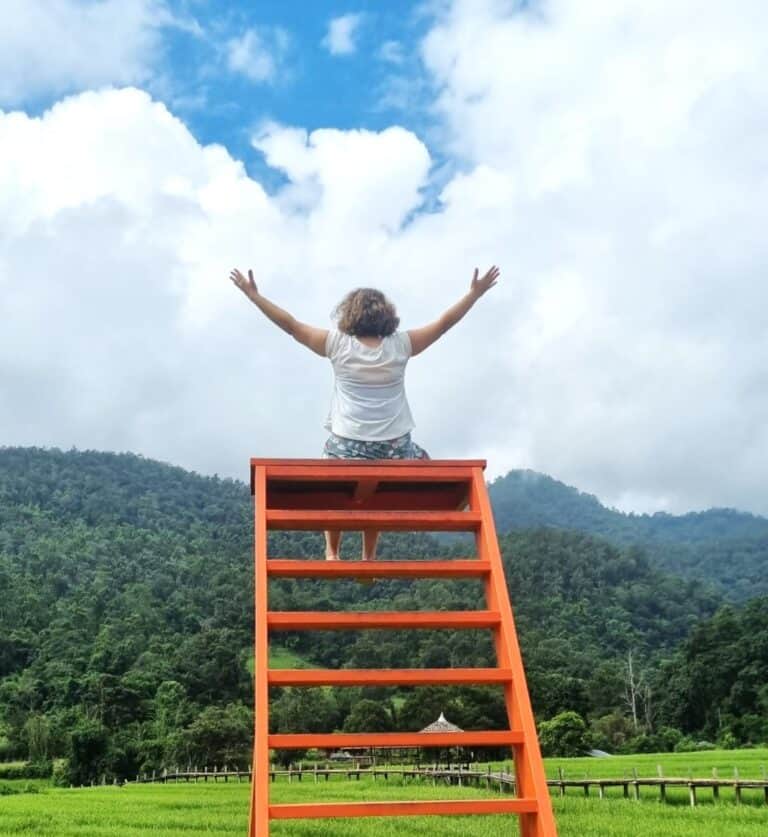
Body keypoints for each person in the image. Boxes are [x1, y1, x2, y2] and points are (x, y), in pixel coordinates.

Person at [229, 265, 500, 562]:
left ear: (349, 314)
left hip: (347, 448)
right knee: (387, 480)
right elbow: (444, 323)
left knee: (333, 472)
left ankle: (332, 552)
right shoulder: (402, 345)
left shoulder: (337, 344)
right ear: (387, 315)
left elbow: (291, 326)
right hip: (393, 450)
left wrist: (254, 296)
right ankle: (368, 556)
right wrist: (474, 294)